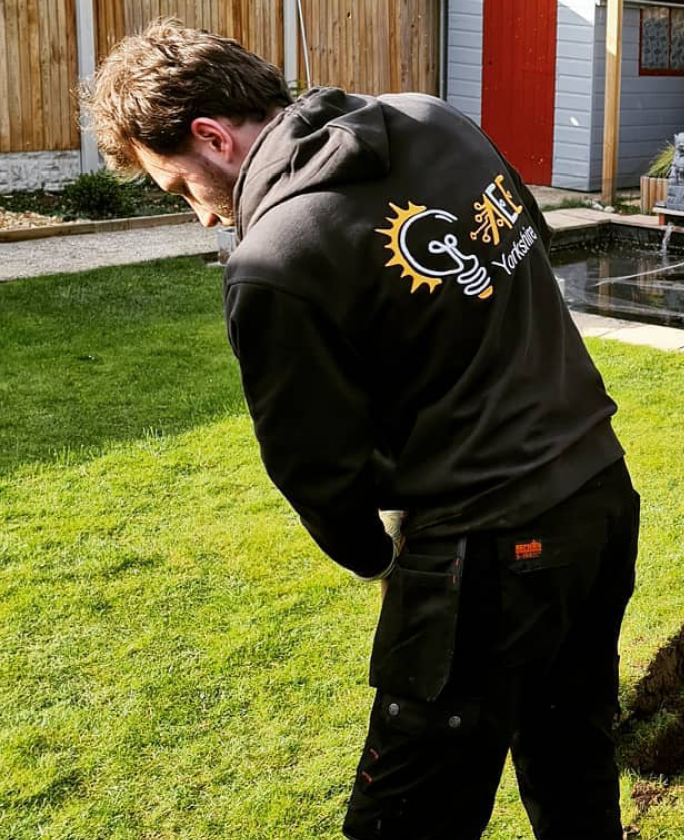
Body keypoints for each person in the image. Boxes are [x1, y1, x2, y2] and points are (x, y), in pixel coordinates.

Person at [85, 21, 638, 840]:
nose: (201, 216)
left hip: (486, 556)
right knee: (572, 761)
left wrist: (380, 558)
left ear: (211, 136)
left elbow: (317, 468)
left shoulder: (276, 260)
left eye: (180, 188)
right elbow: (525, 258)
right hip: (602, 496)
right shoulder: (432, 117)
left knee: (406, 819)